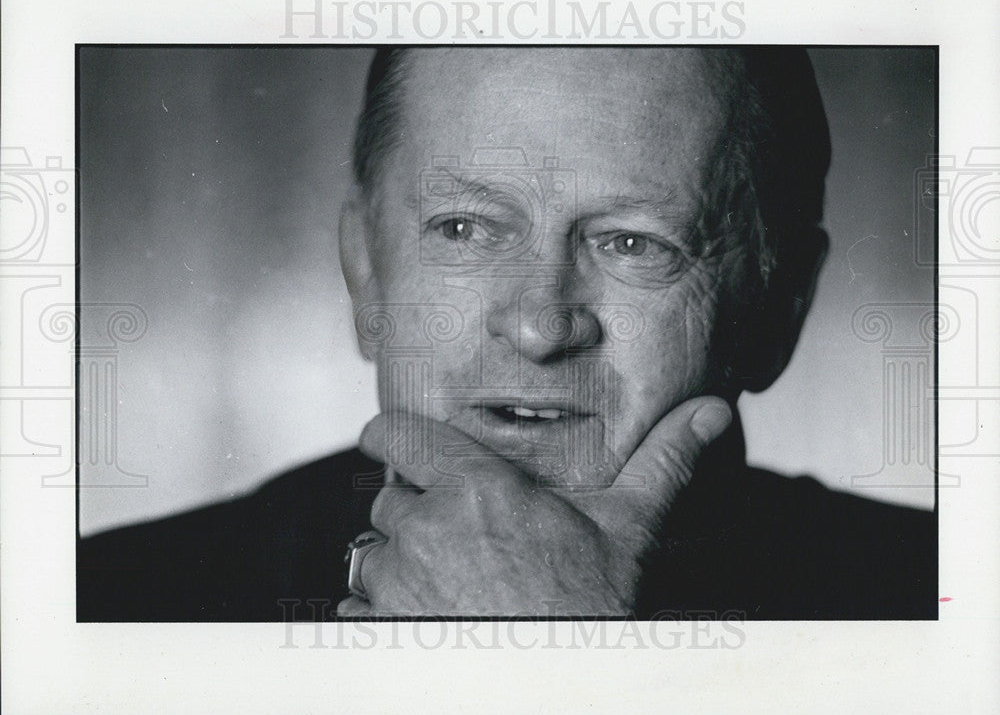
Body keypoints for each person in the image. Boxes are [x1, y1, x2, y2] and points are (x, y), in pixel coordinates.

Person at [78, 47, 935, 621]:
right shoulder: (110, 605)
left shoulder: (945, 605)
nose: (537, 325)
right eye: (463, 229)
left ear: (778, 310)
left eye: (633, 243)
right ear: (366, 278)